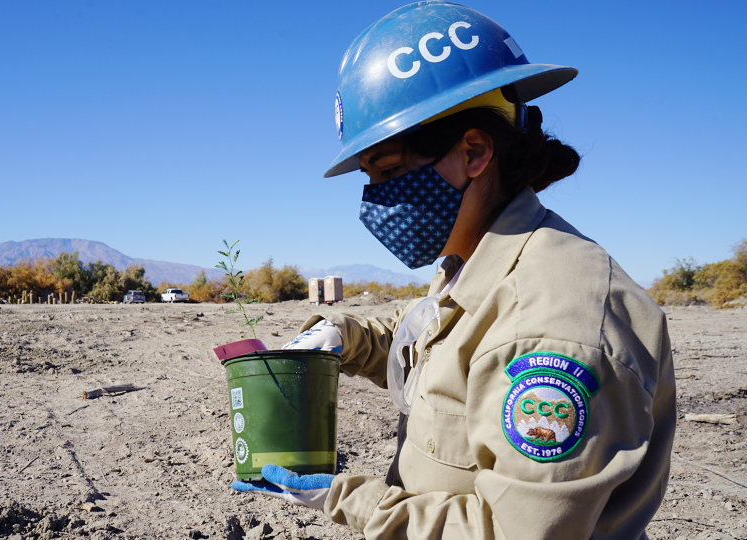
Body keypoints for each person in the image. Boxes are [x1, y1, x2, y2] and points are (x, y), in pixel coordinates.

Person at [232, 3, 675, 539]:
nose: (377, 201)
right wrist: (342, 336)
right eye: (370, 178)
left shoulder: (550, 326)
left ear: (474, 152)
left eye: (390, 171)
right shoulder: (471, 263)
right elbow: (427, 336)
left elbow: (515, 533)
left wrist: (347, 499)